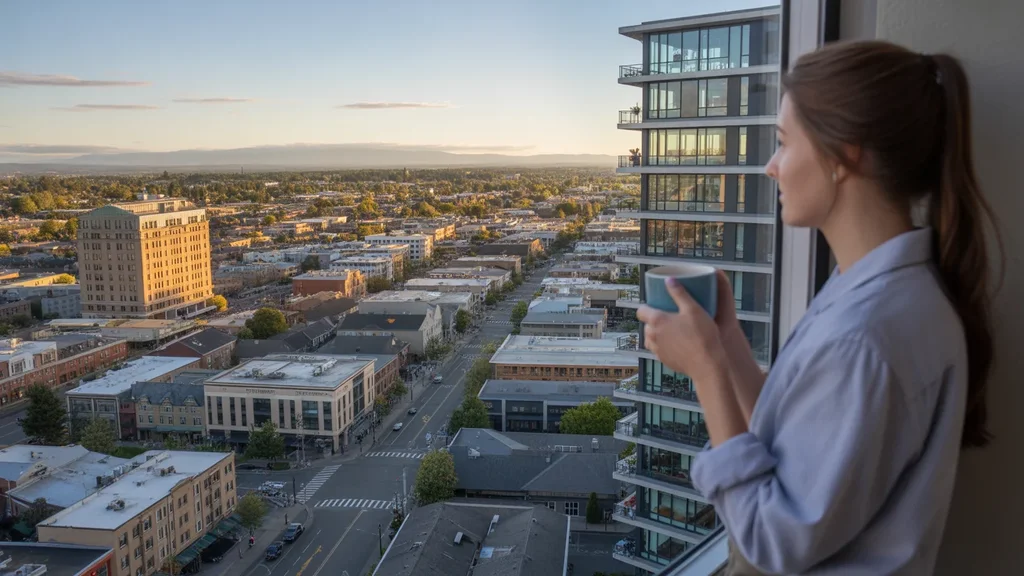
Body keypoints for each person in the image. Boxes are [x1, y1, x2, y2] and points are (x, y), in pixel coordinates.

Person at [638, 40, 1002, 575]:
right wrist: (728, 340)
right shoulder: (887, 291)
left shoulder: (866, 334)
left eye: (784, 142)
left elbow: (772, 539)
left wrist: (707, 372)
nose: (771, 167)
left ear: (844, 153)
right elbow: (800, 443)